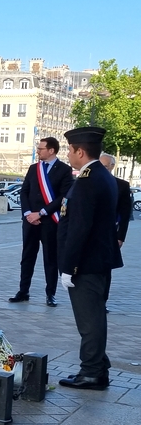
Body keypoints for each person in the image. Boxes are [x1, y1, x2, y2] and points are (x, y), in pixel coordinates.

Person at [57, 127, 122, 390]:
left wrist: (68, 267)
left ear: (79, 151)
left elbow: (79, 228)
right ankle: (97, 366)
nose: (69, 155)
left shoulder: (87, 181)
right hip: (98, 259)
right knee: (94, 317)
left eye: (70, 150)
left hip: (86, 263)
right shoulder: (101, 176)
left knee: (90, 320)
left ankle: (92, 371)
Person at [10, 137, 73, 307]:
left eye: (41, 149)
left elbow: (63, 197)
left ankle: (50, 294)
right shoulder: (33, 169)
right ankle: (23, 291)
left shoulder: (65, 170)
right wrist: (28, 213)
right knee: (27, 257)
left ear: (51, 150)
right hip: (30, 221)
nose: (38, 151)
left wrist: (42, 213)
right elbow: (24, 192)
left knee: (50, 259)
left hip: (49, 221)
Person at [99, 153, 133, 311]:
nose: (103, 169)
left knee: (106, 269)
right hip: (91, 233)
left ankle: (102, 301)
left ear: (112, 167)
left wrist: (121, 237)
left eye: (106, 167)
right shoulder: (89, 182)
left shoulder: (122, 186)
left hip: (111, 234)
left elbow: (125, 214)